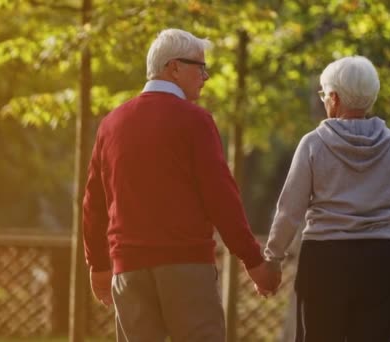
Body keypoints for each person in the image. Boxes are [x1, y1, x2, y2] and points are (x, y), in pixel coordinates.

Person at [82, 28, 280, 342]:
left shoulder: (111, 124)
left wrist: (99, 265)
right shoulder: (195, 121)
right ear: (174, 67)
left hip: (129, 270)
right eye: (200, 67)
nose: (206, 75)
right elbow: (221, 198)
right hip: (185, 266)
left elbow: (94, 202)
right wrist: (253, 261)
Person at [264, 56, 390, 342]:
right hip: (383, 260)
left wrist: (272, 258)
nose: (324, 101)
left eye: (324, 95)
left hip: (326, 259)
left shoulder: (314, 143)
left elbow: (289, 210)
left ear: (334, 98)